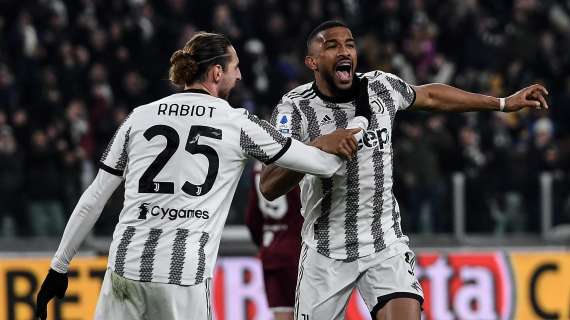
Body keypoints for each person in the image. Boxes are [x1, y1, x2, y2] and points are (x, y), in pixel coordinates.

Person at [35, 31, 365, 320]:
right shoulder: (238, 123)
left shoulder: (140, 117)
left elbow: (95, 196)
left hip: (124, 269)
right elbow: (323, 165)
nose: (240, 75)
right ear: (217, 72)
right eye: (235, 67)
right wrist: (359, 123)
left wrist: (58, 267)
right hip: (184, 277)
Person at [260, 20, 549, 320]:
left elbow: (431, 96)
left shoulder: (380, 87)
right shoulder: (294, 110)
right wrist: (318, 146)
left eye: (349, 44)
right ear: (313, 61)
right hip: (325, 251)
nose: (344, 51)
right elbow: (269, 186)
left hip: (384, 242)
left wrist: (502, 102)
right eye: (332, 46)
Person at [245, 160, 303, 320]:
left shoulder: (258, 165)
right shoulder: (299, 158)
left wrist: (265, 246)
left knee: (282, 314)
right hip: (300, 250)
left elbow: (252, 218)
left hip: (272, 252)